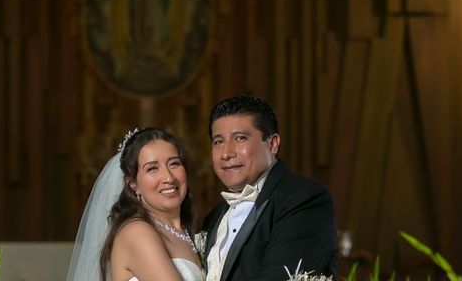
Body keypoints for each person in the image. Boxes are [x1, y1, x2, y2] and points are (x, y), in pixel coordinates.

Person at [202, 95, 338, 281]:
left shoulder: (304, 197)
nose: (226, 153)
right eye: (218, 141)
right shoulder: (213, 217)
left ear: (273, 144)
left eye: (240, 138)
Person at [68, 128, 205, 281]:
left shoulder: (190, 233)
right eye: (152, 168)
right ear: (133, 183)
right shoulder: (136, 232)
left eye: (174, 164)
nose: (168, 177)